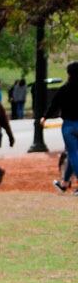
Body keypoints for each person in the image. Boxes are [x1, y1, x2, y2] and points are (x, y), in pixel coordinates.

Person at [52, 62, 78, 192]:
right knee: (72, 154)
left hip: (69, 125)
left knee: (73, 153)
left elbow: (54, 105)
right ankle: (64, 184)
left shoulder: (64, 89)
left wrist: (45, 117)